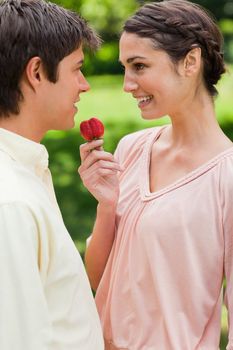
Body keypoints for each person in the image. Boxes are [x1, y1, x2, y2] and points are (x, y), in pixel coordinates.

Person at [78, 0, 233, 349]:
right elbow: (96, 276)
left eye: (139, 66)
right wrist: (107, 206)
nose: (127, 85)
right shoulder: (131, 149)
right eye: (124, 68)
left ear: (190, 62)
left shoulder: (227, 178)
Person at [0, 0, 104, 349]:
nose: (85, 84)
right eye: (76, 69)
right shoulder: (11, 201)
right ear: (37, 73)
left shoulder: (25, 173)